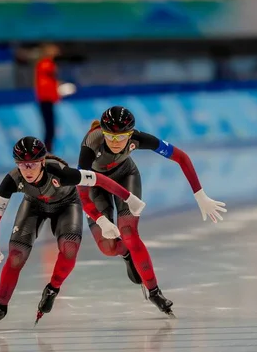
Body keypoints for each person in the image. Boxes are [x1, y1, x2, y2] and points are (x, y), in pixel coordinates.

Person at [0, 136, 146, 327]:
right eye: (22, 165)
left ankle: (52, 289)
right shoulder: (12, 180)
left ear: (42, 162)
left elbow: (100, 180)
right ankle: (0, 306)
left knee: (69, 248)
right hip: (33, 205)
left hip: (67, 204)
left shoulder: (61, 173)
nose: (27, 171)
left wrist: (128, 197)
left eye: (32, 165)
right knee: (16, 255)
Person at [77, 106, 227, 317]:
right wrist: (100, 220)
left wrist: (199, 194)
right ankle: (125, 253)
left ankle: (155, 292)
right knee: (109, 248)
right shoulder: (91, 145)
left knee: (128, 232)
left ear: (131, 135)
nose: (115, 142)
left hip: (125, 175)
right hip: (95, 184)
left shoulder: (138, 139)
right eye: (110, 136)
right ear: (103, 132)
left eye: (122, 137)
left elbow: (181, 157)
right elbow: (82, 193)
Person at [34, 43, 61, 152]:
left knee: (51, 128)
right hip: (45, 99)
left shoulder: (47, 64)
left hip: (48, 99)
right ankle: (47, 152)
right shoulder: (45, 64)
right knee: (49, 128)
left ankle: (48, 150)